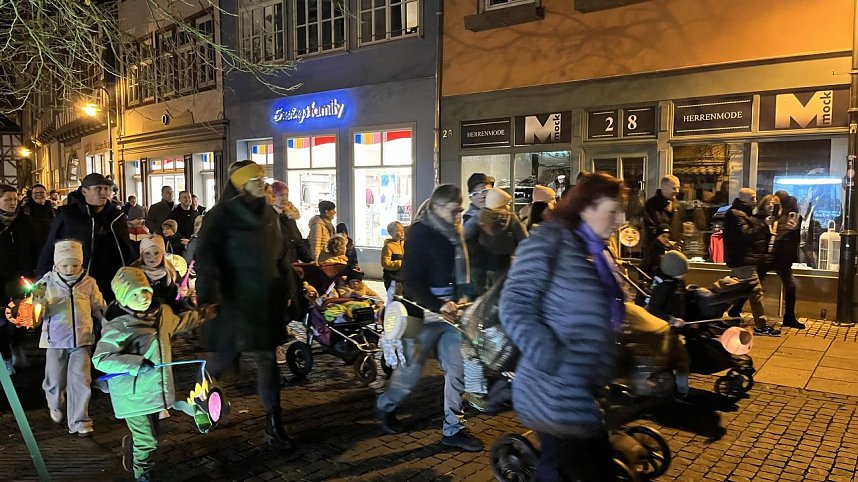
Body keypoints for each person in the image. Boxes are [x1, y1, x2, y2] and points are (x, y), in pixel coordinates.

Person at [500, 172, 627, 481]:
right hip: (552, 391)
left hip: (583, 390)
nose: (619, 219)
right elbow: (514, 303)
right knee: (564, 470)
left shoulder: (594, 252)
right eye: (612, 210)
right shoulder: (551, 242)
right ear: (587, 208)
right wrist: (550, 356)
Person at [375, 184, 484, 453]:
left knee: (456, 369)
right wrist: (438, 304)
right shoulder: (420, 233)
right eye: (453, 210)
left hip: (450, 314)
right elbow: (412, 280)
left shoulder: (455, 232)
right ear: (436, 208)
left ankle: (453, 428)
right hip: (421, 312)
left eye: (460, 210)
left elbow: (463, 273)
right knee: (410, 373)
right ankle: (386, 405)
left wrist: (465, 296)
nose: (458, 215)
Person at [195, 160, 294, 450]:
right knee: (221, 360)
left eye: (263, 178)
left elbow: (282, 255)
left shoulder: (269, 214)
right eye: (256, 179)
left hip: (265, 302)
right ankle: (204, 401)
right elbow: (207, 260)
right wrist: (208, 298)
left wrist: (288, 288)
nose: (263, 183)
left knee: (267, 361)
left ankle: (274, 422)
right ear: (241, 183)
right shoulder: (220, 216)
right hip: (232, 303)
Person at [92, 267, 216, 482]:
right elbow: (100, 359)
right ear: (123, 298)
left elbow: (179, 323)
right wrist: (136, 363)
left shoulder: (162, 314)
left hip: (156, 388)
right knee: (148, 441)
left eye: (145, 291)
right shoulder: (118, 326)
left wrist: (201, 315)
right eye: (134, 294)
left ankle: (134, 447)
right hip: (132, 396)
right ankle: (142, 474)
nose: (143, 298)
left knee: (151, 435)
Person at [33, 239, 105, 436]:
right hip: (55, 341)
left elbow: (99, 307)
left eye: (75, 264)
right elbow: (34, 311)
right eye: (65, 265)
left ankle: (80, 420)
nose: (70, 269)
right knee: (55, 379)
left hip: (82, 340)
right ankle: (55, 403)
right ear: (56, 264)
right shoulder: (44, 283)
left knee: (81, 380)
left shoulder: (89, 283)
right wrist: (36, 308)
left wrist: (108, 321)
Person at [37, 173, 134, 303]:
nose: (103, 192)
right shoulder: (69, 216)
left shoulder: (116, 217)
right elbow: (50, 249)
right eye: (98, 188)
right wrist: (39, 290)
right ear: (84, 191)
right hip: (76, 284)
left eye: (106, 189)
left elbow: (126, 250)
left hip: (113, 283)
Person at [724, 188, 780, 336]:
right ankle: (760, 325)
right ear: (744, 199)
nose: (755, 201)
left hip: (744, 259)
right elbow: (745, 235)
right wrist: (763, 225)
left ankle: (722, 315)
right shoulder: (735, 214)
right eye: (753, 198)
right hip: (742, 260)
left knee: (738, 291)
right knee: (755, 293)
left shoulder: (744, 213)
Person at [0, 184, 38, 373]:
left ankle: (17, 346)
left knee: (22, 317)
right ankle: (5, 356)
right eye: (7, 199)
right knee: (0, 319)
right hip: (0, 278)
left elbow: (34, 247)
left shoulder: (24, 221)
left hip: (21, 277)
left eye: (15, 199)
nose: (12, 203)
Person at [761, 191, 804, 329]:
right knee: (790, 286)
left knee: (753, 284)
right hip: (777, 257)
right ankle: (789, 317)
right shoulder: (780, 215)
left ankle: (735, 310)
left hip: (773, 256)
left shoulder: (784, 215)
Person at [131, 235, 189, 313]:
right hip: (144, 316)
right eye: (147, 253)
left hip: (168, 315)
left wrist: (182, 294)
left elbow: (177, 299)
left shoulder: (172, 273)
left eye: (156, 253)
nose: (152, 257)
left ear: (163, 254)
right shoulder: (134, 273)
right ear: (142, 254)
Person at [463, 173, 494, 296]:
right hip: (478, 275)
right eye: (475, 194)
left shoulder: (502, 214)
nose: (481, 197)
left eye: (484, 192)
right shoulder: (469, 218)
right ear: (470, 198)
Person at [643, 175, 685, 255]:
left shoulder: (678, 206)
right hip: (655, 254)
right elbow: (651, 230)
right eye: (674, 188)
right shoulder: (651, 204)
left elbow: (681, 230)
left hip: (674, 253)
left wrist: (678, 244)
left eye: (678, 188)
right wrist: (666, 244)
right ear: (664, 187)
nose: (677, 191)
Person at [22, 184, 56, 254]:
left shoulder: (53, 211)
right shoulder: (25, 211)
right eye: (36, 193)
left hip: (50, 250)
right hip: (31, 252)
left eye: (42, 192)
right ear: (31, 195)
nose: (39, 194)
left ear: (46, 194)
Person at [381, 221, 405, 293]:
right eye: (398, 231)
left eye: (402, 230)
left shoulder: (404, 244)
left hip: (404, 279)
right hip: (393, 279)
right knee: (395, 300)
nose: (402, 233)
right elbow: (385, 263)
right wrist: (401, 263)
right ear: (391, 233)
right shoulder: (388, 246)